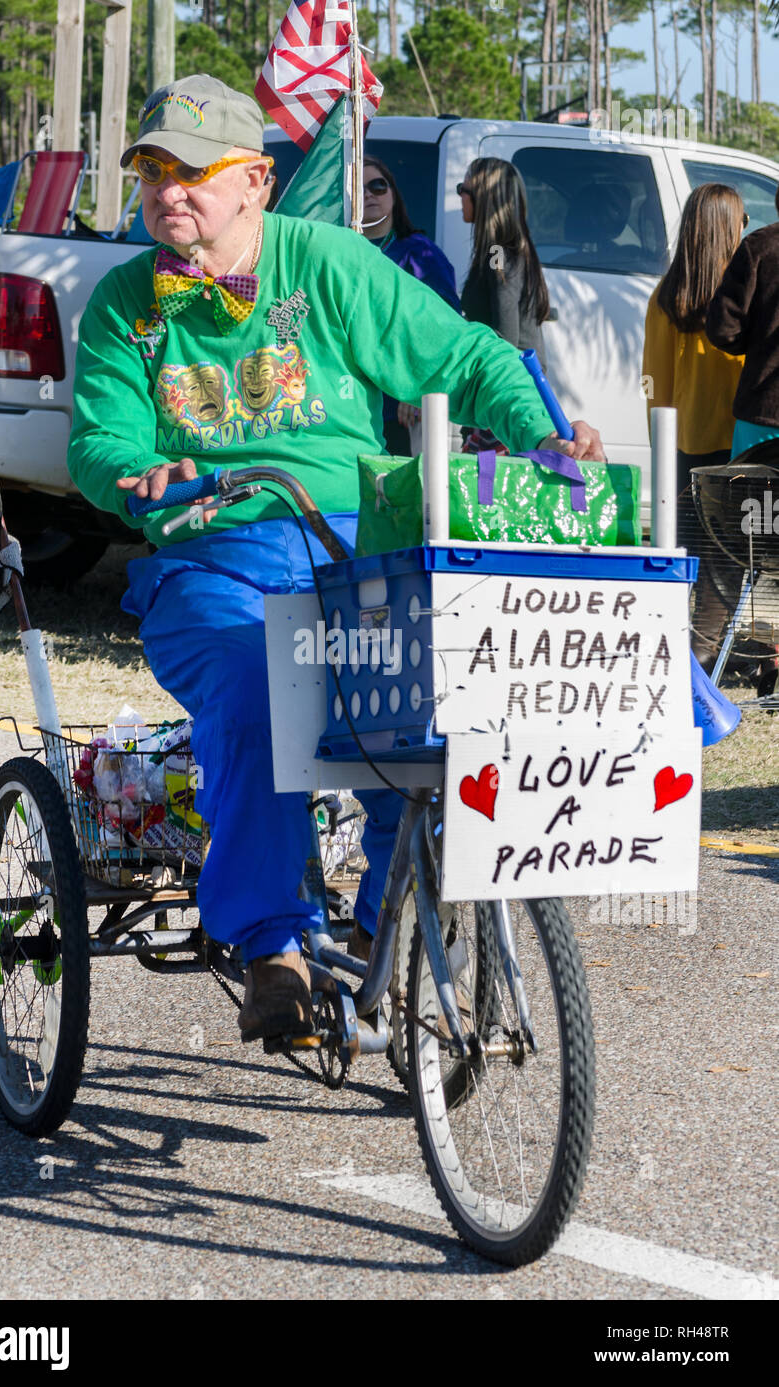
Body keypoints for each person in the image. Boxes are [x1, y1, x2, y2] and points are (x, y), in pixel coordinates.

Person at [68, 74, 605, 1046]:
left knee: (437, 715)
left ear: (257, 182)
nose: (166, 191)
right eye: (150, 171)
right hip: (211, 562)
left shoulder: (329, 263)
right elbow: (98, 446)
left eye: (191, 172)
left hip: (356, 548)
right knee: (258, 693)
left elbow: (469, 358)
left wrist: (545, 435)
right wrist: (144, 477)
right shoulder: (123, 303)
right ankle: (273, 943)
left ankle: (391, 917)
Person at [643, 183, 745, 667]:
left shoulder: (666, 296)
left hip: (683, 447)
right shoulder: (743, 295)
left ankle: (682, 648)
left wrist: (659, 448)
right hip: (738, 445)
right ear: (729, 229)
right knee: (728, 561)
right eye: (743, 221)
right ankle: (707, 657)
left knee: (688, 553)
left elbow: (652, 382)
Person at [360, 155, 461, 453]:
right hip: (355, 405)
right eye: (359, 188)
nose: (368, 194)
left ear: (393, 193)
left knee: (403, 493)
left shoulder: (420, 254)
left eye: (378, 185)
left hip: (402, 407)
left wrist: (417, 391)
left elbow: (445, 327)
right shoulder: (340, 252)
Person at [705, 186, 779, 459]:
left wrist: (761, 344)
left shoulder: (759, 246)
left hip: (762, 413)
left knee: (753, 500)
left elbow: (723, 329)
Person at [458, 156, 550, 369]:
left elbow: (505, 340)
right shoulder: (504, 251)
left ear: (483, 198)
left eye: (463, 189)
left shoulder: (500, 255)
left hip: (512, 387)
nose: (460, 196)